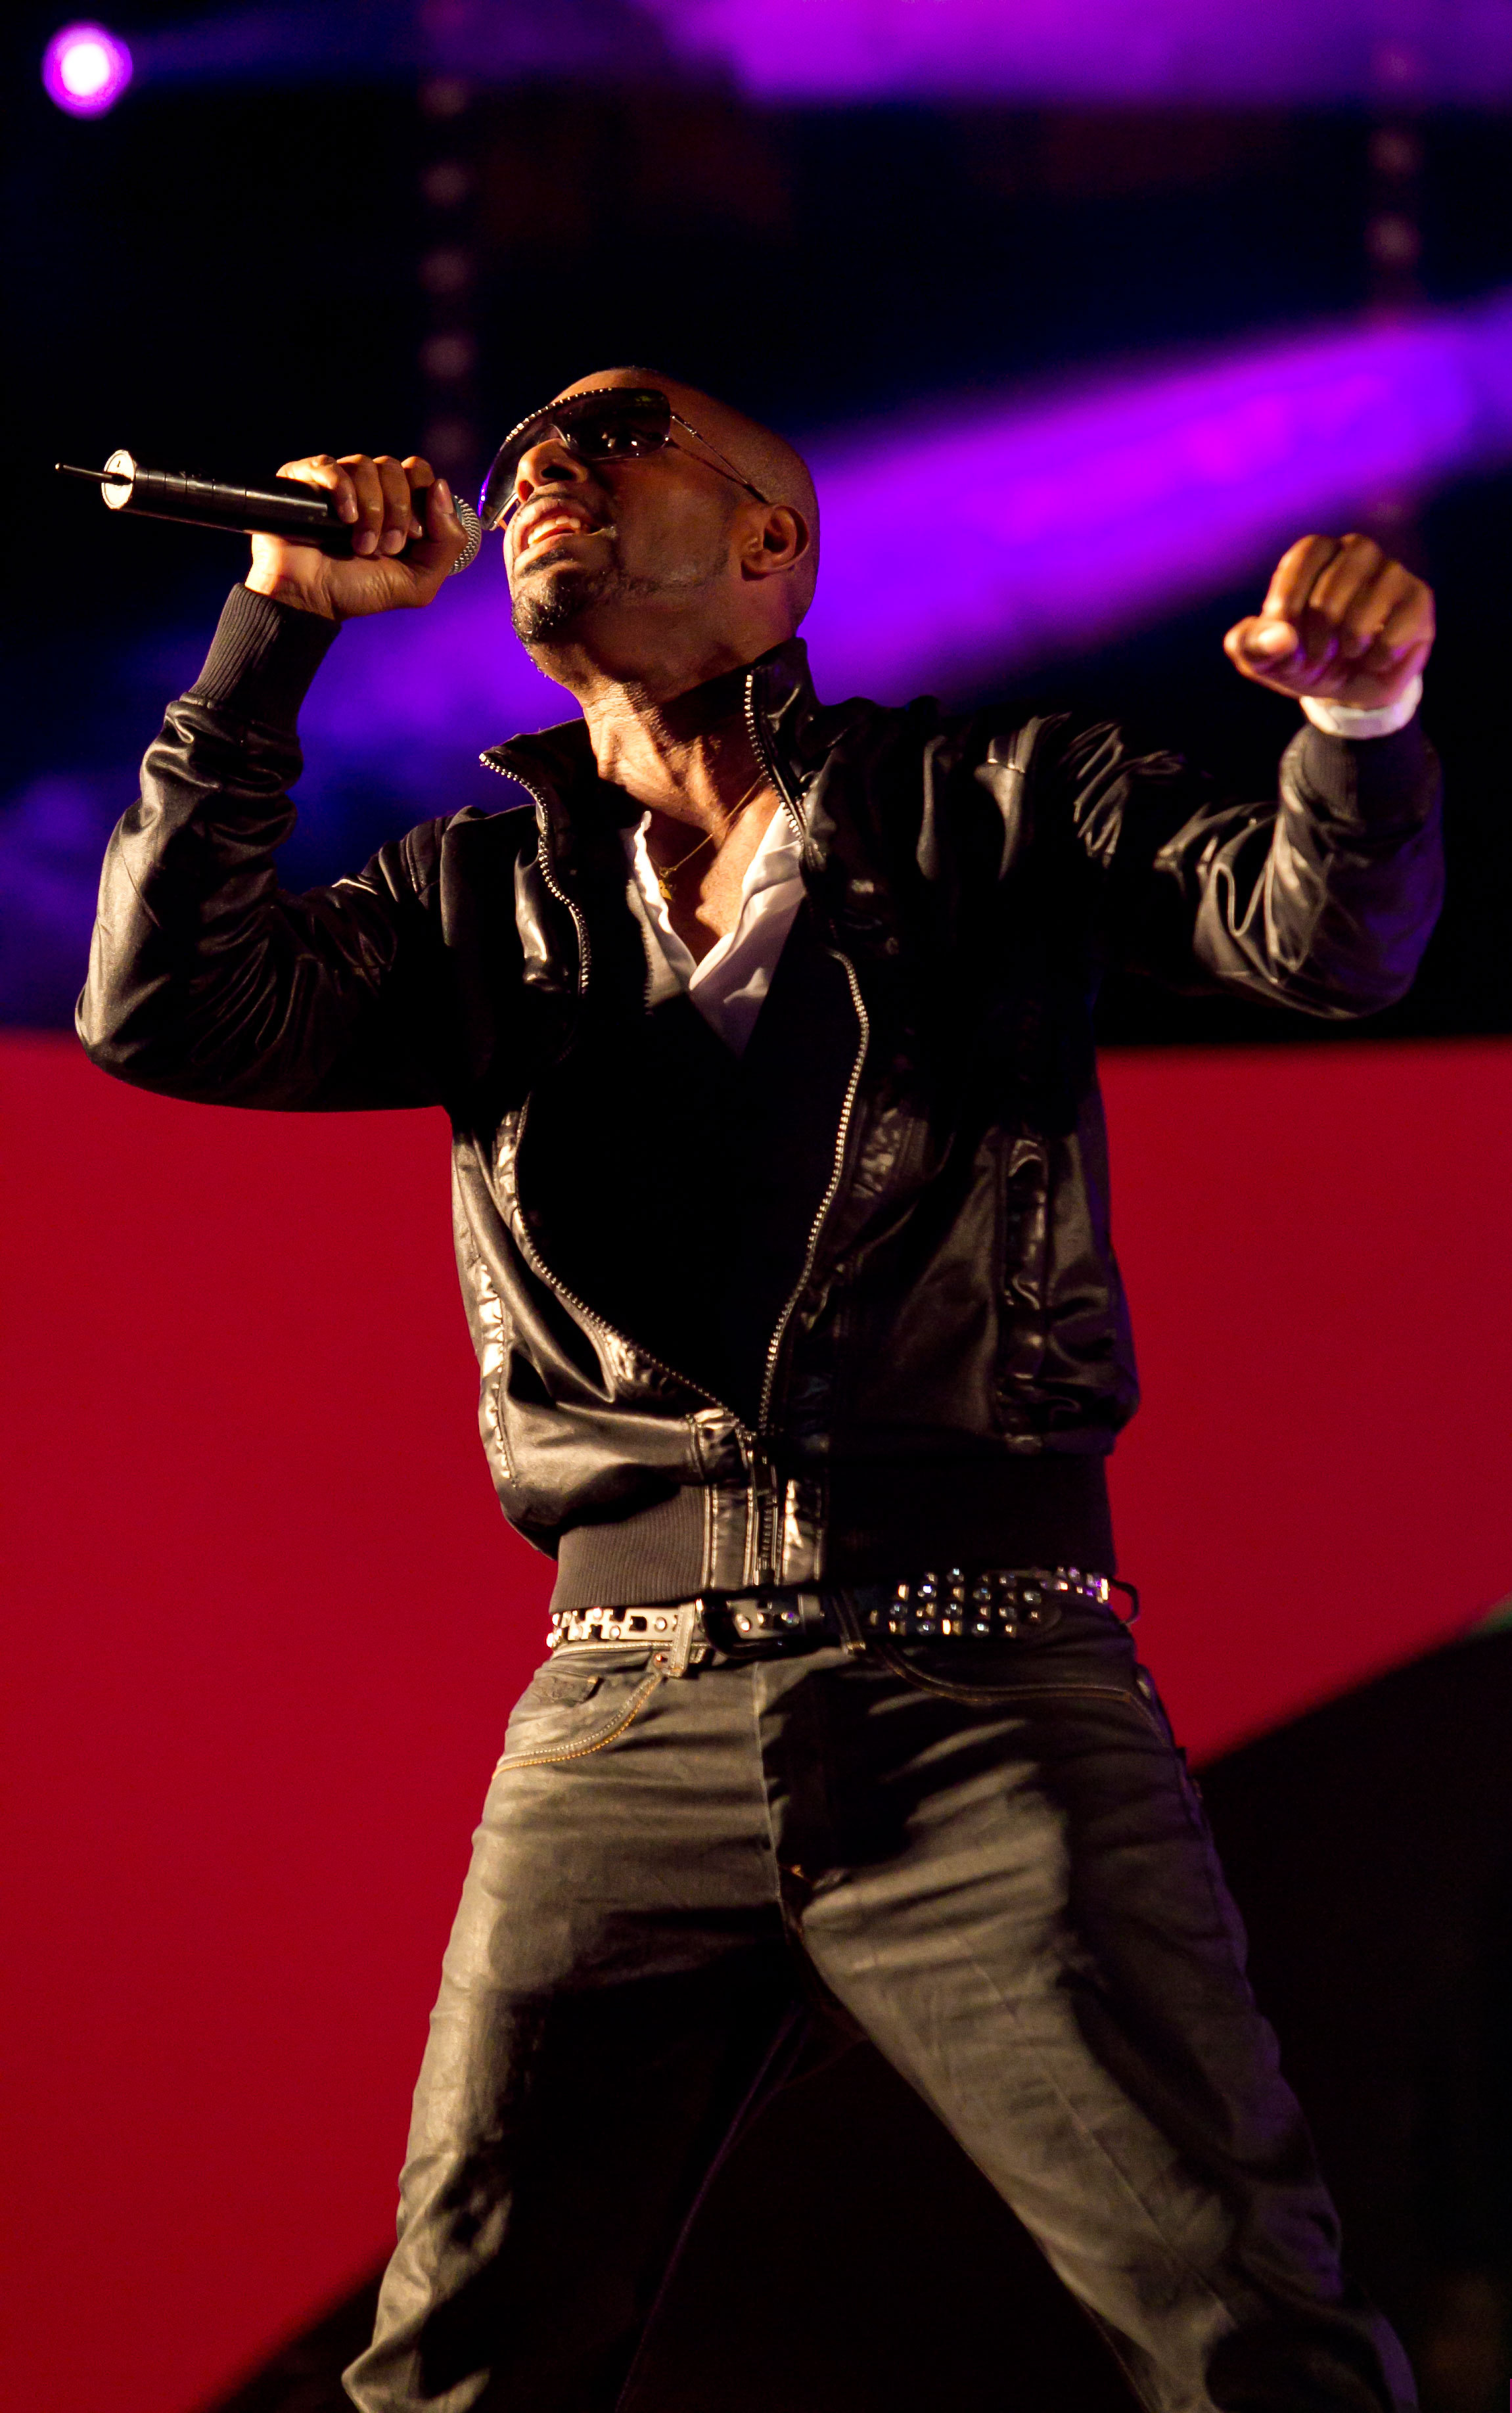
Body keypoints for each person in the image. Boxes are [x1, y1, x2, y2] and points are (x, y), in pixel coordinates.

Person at [79, 369, 1442, 2413]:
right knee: (461, 2368)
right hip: (622, 1715)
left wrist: (1358, 726)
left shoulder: (993, 803)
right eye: (522, 455)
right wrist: (275, 627)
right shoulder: (473, 894)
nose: (543, 467)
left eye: (615, 436)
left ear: (768, 547)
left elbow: (1322, 938)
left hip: (984, 1686)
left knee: (1241, 2330)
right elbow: (167, 1009)